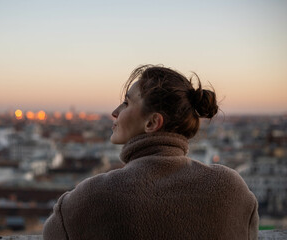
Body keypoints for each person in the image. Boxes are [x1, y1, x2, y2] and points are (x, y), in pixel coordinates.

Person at [43, 65, 259, 240]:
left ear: (152, 122)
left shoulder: (90, 197)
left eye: (126, 103)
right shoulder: (231, 189)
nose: (115, 112)